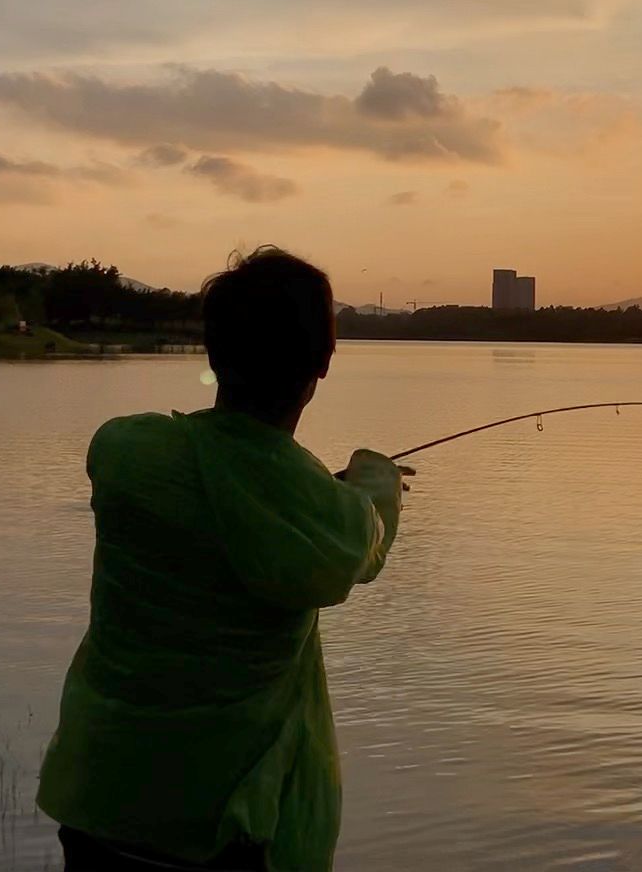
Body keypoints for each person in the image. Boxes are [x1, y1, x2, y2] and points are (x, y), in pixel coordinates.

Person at [38, 247, 410, 871]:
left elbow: (224, 481)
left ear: (214, 355)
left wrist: (311, 487)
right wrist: (376, 480)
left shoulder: (125, 451)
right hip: (222, 832)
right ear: (323, 361)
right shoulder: (333, 521)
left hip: (101, 800)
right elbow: (363, 542)